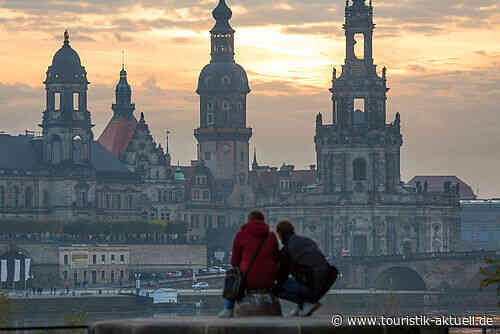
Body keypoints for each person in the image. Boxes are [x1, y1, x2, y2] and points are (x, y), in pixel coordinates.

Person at [218, 210, 280, 318]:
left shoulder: (241, 235)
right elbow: (276, 258)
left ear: (248, 220)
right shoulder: (271, 236)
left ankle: (229, 308)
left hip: (247, 280)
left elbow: (234, 262)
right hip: (269, 279)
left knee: (232, 275)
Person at [273, 220, 338, 317]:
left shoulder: (287, 249)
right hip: (325, 282)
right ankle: (304, 305)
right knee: (297, 279)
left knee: (275, 288)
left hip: (311, 284)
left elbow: (282, 276)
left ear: (280, 234)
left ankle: (307, 303)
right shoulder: (307, 241)